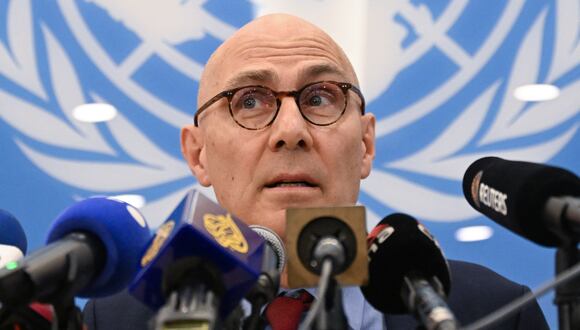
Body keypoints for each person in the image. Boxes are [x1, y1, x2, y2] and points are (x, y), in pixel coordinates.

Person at [83, 14, 548, 329]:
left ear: (365, 143)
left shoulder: (492, 312)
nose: (291, 131)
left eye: (320, 98)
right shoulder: (119, 320)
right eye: (249, 101)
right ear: (198, 153)